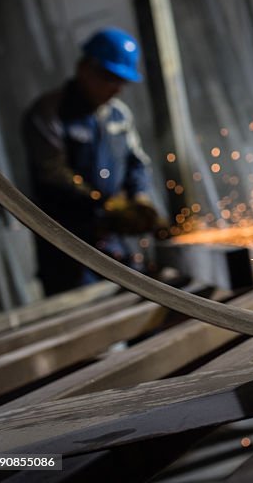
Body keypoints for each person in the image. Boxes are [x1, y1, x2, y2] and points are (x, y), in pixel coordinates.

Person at [24, 27, 161, 295]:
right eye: (111, 78)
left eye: (122, 82)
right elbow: (52, 173)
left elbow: (136, 162)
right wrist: (104, 202)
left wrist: (140, 198)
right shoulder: (50, 113)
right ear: (85, 68)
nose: (117, 89)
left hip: (114, 243)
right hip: (67, 247)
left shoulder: (119, 115)